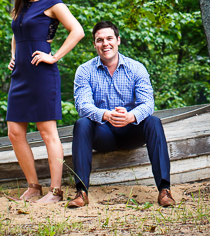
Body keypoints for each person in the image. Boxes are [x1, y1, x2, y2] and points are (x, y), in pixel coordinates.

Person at [68, 20, 175, 208]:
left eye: (109, 38)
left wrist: (131, 117)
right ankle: (81, 192)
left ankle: (164, 190)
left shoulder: (136, 68)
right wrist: (105, 115)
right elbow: (82, 105)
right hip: (103, 133)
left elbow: (148, 104)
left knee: (154, 122)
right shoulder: (84, 71)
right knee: (82, 123)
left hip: (130, 131)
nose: (105, 43)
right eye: (99, 40)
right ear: (94, 44)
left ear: (118, 40)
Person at [6, 0, 84, 203]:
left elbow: (78, 30)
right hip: (20, 75)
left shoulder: (53, 2)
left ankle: (56, 191)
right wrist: (13, 56)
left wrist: (54, 57)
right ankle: (33, 186)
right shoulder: (21, 5)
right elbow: (17, 34)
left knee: (46, 131)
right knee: (15, 132)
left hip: (41, 73)